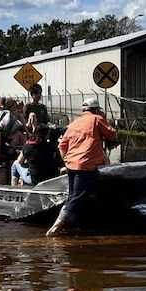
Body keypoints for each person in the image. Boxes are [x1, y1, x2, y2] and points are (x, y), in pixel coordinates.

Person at [46, 97, 118, 236]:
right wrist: (104, 118)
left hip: (71, 165)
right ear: (96, 109)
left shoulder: (74, 123)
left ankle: (72, 225)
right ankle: (55, 228)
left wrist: (67, 161)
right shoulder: (97, 119)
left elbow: (62, 145)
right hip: (85, 165)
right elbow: (112, 134)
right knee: (78, 197)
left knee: (72, 196)